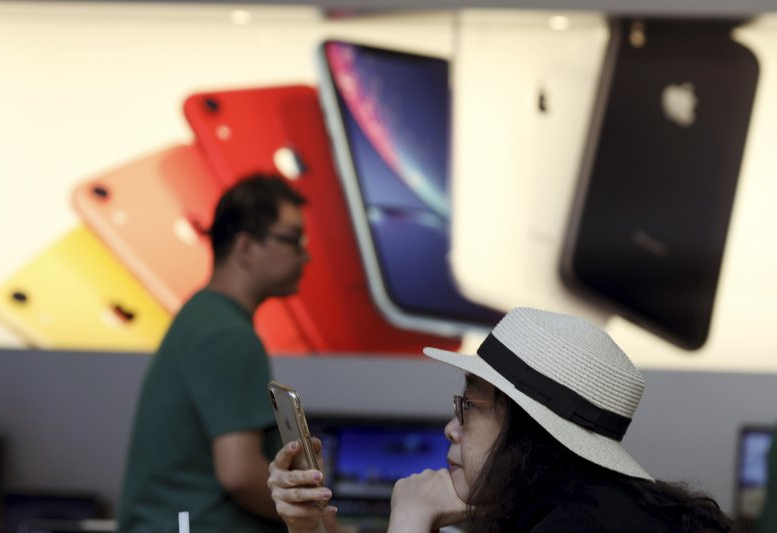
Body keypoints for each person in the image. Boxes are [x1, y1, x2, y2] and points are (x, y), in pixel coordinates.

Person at [268, 307, 733, 532]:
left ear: (525, 431)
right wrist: (311, 526)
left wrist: (411, 518)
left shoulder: (572, 529)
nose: (451, 428)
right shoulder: (599, 510)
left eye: (467, 409)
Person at [118, 174, 309, 532]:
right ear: (246, 247)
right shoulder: (228, 334)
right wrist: (320, 521)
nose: (305, 254)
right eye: (293, 240)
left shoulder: (203, 316)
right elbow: (239, 474)